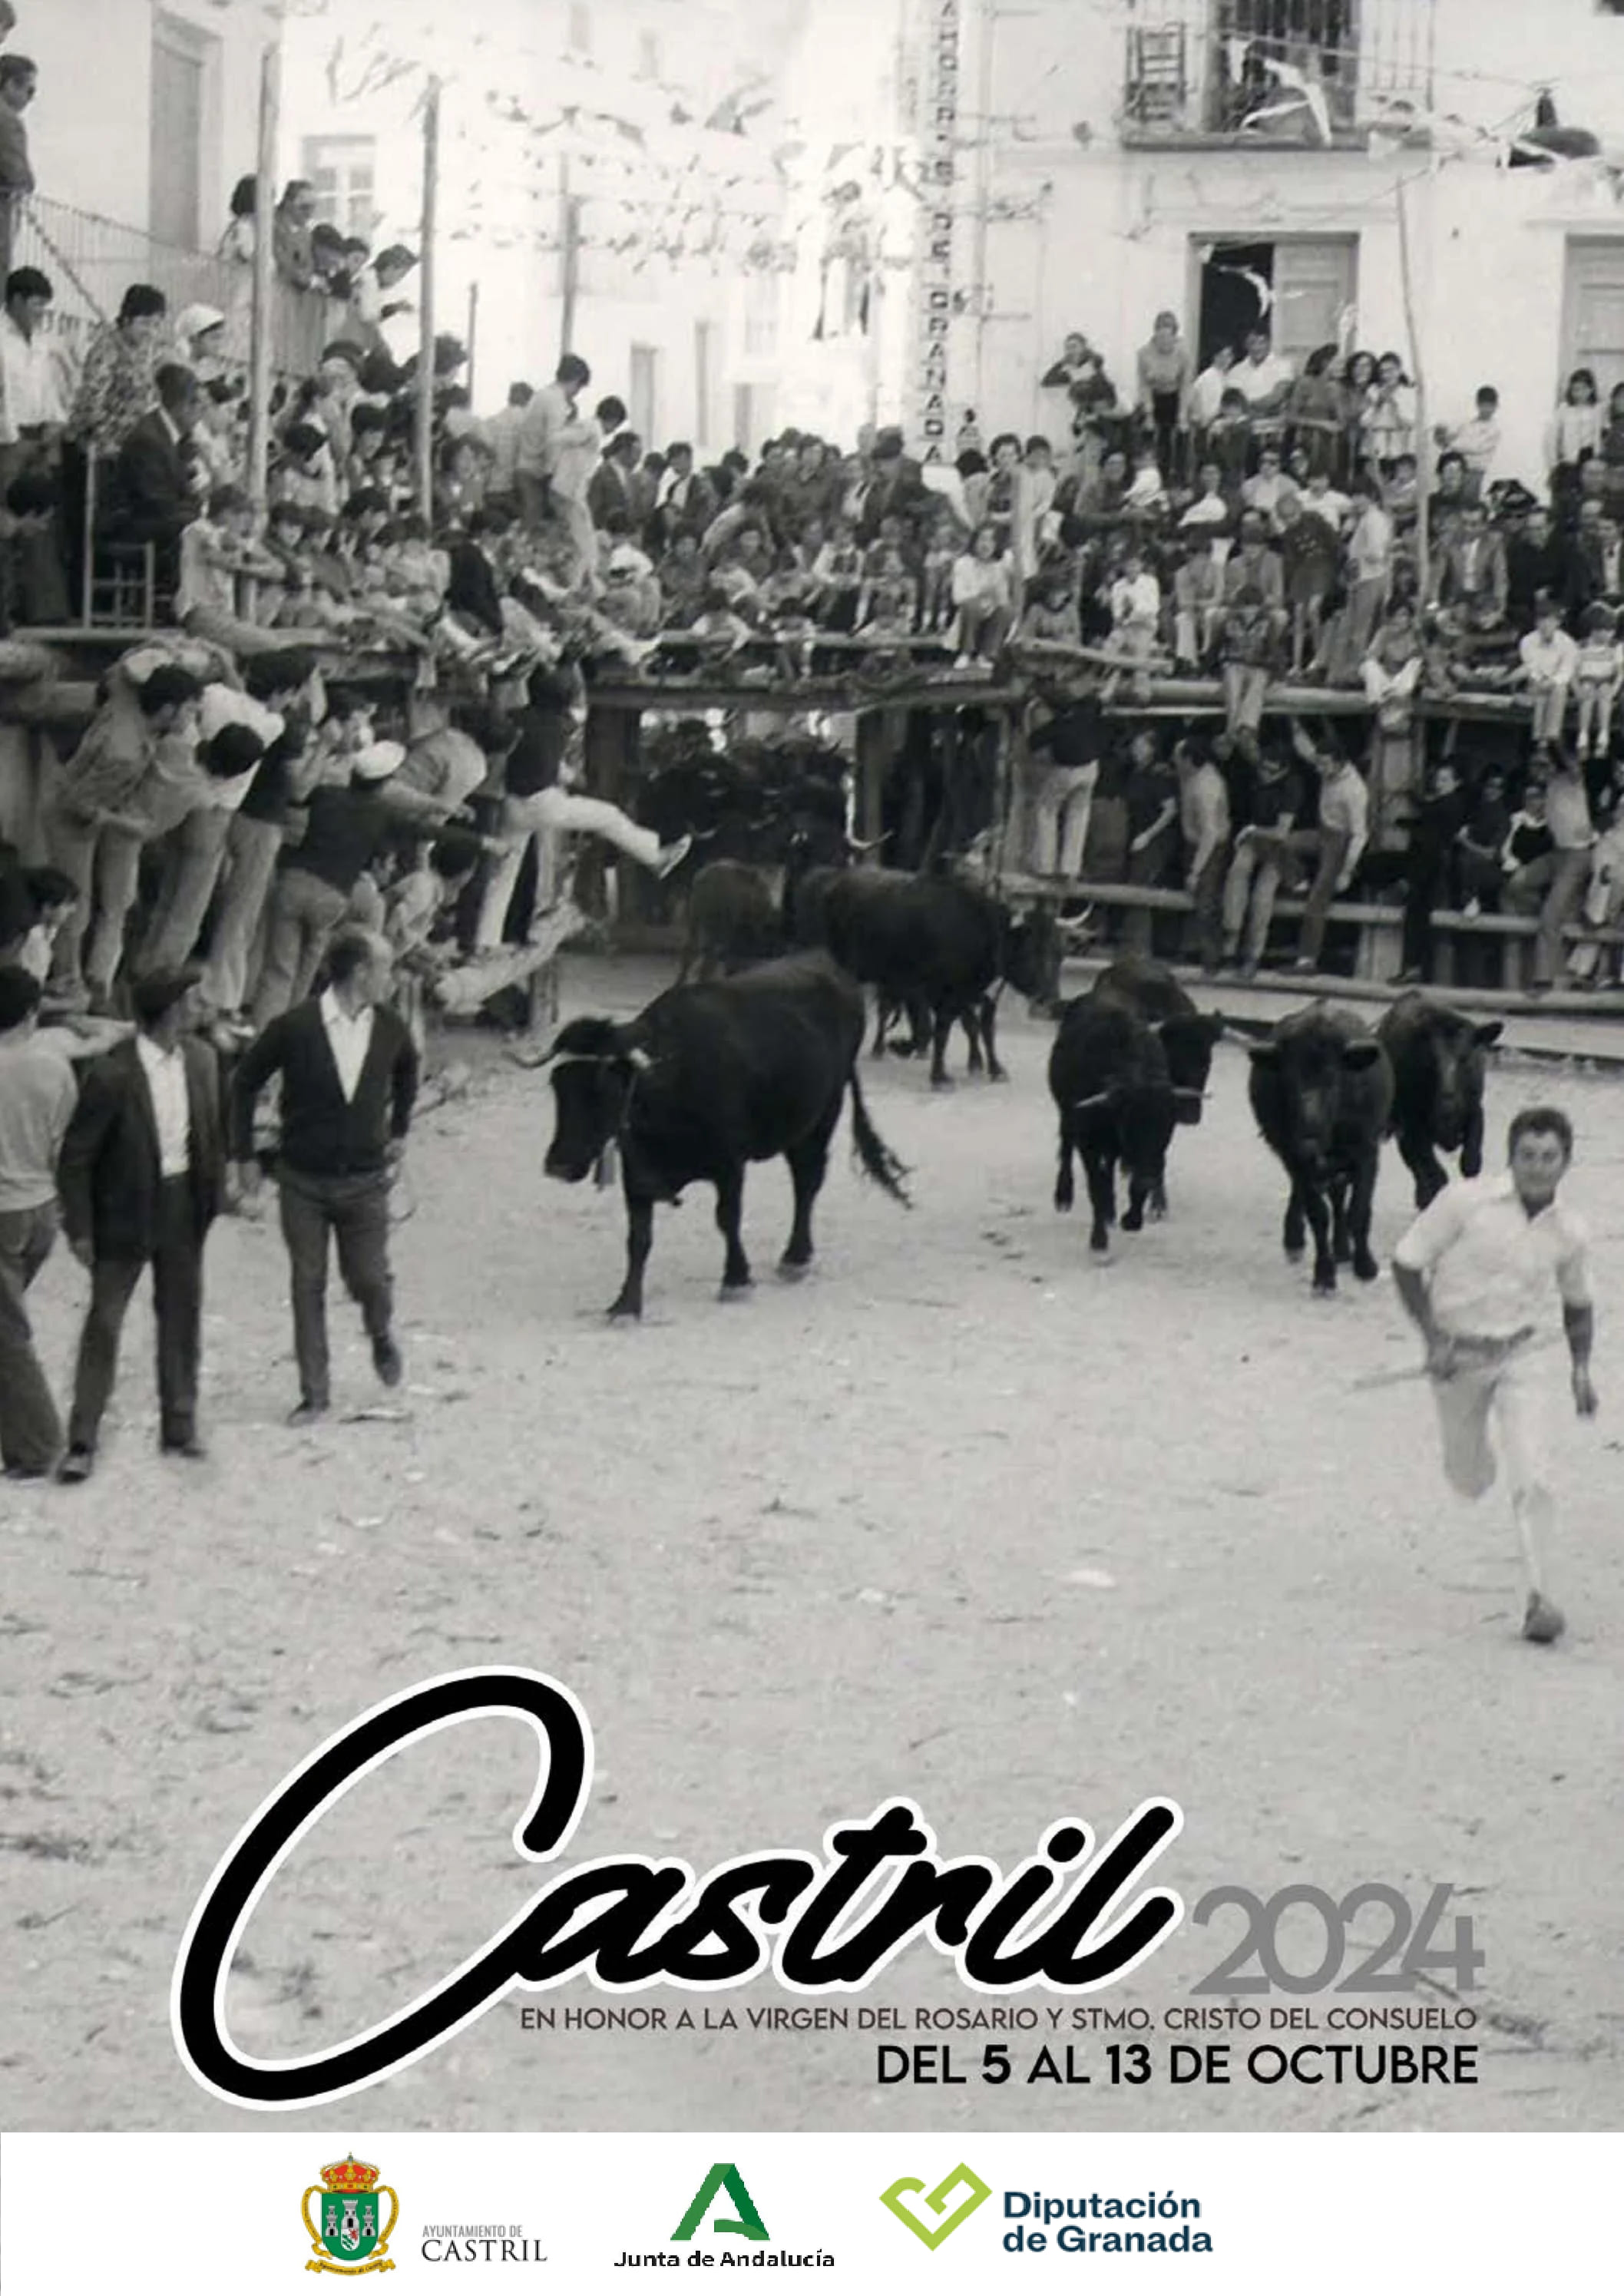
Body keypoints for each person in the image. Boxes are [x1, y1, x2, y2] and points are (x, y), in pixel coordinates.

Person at [1391, 1106, 1597, 1645]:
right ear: (1512, 1157)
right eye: (1527, 1156)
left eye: (1548, 1158)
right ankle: (1472, 1462)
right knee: (1469, 1476)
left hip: (1520, 1354)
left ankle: (1540, 1596)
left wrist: (1580, 1370)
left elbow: (1577, 1304)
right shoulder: (1463, 1202)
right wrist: (1432, 1338)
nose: (1537, 1168)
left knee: (1534, 1476)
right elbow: (1407, 1262)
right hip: (1456, 1356)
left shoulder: (1570, 1231)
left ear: (1565, 1163)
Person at [231, 927, 418, 1426]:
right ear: (360, 973)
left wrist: (399, 1127)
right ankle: (314, 1393)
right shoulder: (295, 1027)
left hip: (365, 1179)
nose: (390, 978)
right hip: (301, 1180)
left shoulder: (391, 1028)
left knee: (370, 1279)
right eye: (384, 969)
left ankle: (380, 1334)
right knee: (306, 1282)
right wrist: (243, 1153)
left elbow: (408, 1070)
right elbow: (245, 1081)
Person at [55, 968, 224, 1481]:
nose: (202, 1005)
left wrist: (210, 1200)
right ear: (170, 1009)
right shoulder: (113, 1074)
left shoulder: (202, 1061)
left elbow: (209, 1132)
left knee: (181, 1315)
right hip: (123, 1210)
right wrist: (81, 1229)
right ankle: (82, 1438)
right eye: (192, 999)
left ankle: (180, 1422)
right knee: (105, 1321)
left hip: (180, 1202)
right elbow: (77, 1158)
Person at [0, 963, 76, 1479]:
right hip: (40, 1208)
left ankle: (40, 1445)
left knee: (8, 1335)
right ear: (32, 1012)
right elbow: (62, 1146)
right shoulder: (53, 1068)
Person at [0, 53, 35, 271]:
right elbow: (18, 175)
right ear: (11, 84)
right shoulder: (9, 121)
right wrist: (29, 182)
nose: (30, 99)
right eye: (29, 91)